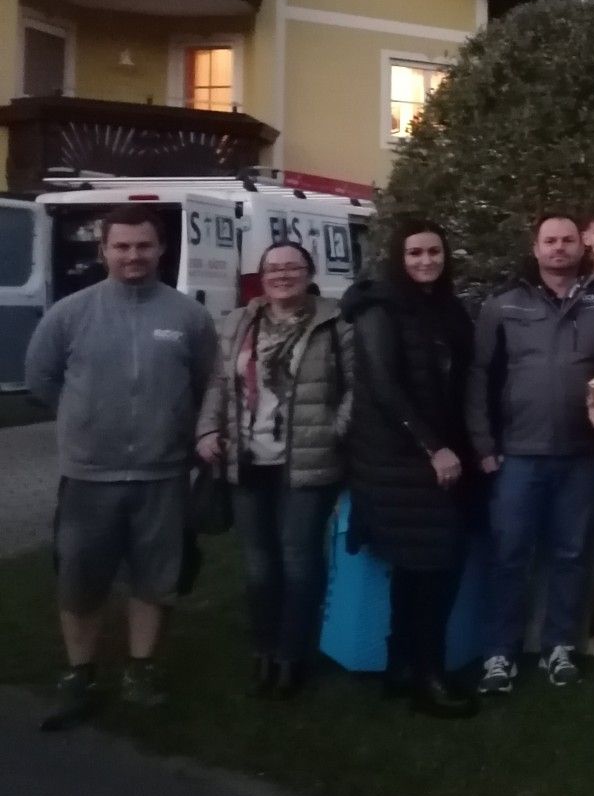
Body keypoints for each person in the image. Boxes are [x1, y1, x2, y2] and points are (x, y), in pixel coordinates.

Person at [24, 204, 217, 731]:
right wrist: (86, 419)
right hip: (89, 476)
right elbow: (41, 379)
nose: (133, 255)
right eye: (122, 246)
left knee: (155, 581)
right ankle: (80, 673)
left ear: (160, 250)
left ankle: (141, 669)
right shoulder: (71, 312)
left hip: (163, 475)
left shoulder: (188, 317)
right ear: (104, 250)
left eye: (144, 246)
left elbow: (207, 384)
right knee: (80, 582)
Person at [467, 214, 594, 694]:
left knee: (573, 554)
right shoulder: (503, 306)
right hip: (518, 454)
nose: (559, 248)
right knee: (509, 554)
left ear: (583, 246)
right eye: (550, 241)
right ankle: (499, 653)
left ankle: (559, 648)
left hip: (583, 454)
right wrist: (484, 445)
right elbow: (479, 378)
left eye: (568, 240)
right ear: (535, 249)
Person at [195, 241, 353, 700]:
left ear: (310, 272)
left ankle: (292, 656)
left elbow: (356, 388)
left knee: (300, 564)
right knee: (260, 570)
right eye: (273, 268)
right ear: (261, 276)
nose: (282, 275)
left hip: (306, 463)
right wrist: (207, 432)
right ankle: (263, 650)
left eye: (292, 267)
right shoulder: (239, 321)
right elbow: (219, 383)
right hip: (247, 461)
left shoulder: (335, 320)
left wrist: (332, 431)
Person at [340, 220, 479, 719]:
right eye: (415, 252)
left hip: (433, 455)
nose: (425, 261)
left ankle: (403, 669)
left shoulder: (444, 307)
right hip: (401, 460)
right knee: (434, 568)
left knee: (419, 570)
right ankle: (429, 675)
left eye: (434, 251)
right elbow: (383, 384)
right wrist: (433, 447)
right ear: (399, 257)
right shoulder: (381, 308)